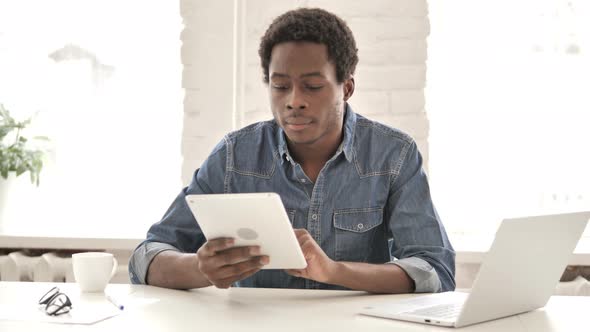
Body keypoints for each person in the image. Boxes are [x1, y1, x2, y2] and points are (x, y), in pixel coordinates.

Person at [129, 7, 455, 293]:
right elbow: (148, 257)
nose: (294, 100)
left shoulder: (392, 155)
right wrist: (200, 269)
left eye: (312, 86)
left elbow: (435, 269)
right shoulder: (233, 157)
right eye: (280, 85)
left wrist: (336, 272)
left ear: (348, 87)